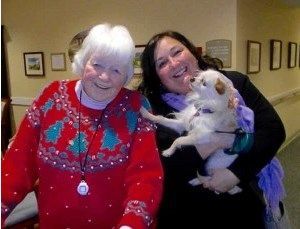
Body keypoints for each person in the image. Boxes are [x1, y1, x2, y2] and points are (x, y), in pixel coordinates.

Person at [1, 23, 164, 229]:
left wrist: (131, 224)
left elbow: (146, 175)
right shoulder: (50, 96)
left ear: (127, 75)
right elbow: (18, 162)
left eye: (116, 69)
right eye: (97, 65)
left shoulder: (137, 107)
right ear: (83, 61)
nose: (104, 77)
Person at [139, 31, 286, 228]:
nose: (173, 63)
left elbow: (272, 131)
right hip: (186, 214)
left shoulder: (232, 84)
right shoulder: (153, 109)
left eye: (177, 52)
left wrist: (236, 172)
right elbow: (161, 167)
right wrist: (216, 140)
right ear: (157, 76)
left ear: (192, 52)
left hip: (242, 211)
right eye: (162, 63)